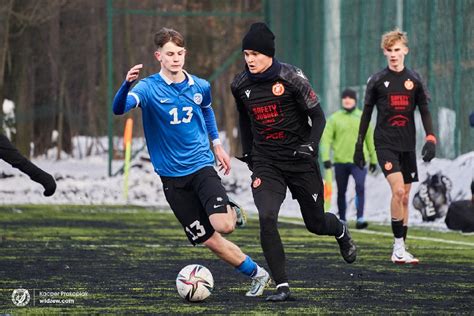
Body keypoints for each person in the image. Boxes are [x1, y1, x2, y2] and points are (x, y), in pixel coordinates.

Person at [112, 27, 270, 297]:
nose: (176, 58)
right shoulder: (148, 88)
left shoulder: (200, 86)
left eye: (180, 53)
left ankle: (231, 210)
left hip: (201, 167)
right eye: (170, 53)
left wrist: (217, 144)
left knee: (225, 226)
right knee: (210, 240)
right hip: (172, 181)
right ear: (158, 55)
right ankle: (258, 274)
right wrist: (126, 84)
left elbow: (207, 111)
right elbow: (119, 108)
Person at [232, 22, 357, 302]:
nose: (249, 59)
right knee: (266, 217)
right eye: (246, 54)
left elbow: (319, 117)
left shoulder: (292, 77)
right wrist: (249, 152)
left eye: (254, 54)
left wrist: (311, 145)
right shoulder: (240, 85)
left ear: (269, 54)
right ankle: (282, 286)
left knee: (315, 223)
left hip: (299, 159)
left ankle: (340, 230)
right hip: (267, 161)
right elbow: (244, 119)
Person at [353, 29, 436, 264]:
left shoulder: (415, 80)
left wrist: (431, 138)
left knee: (406, 197)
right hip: (385, 143)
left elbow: (425, 111)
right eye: (389, 50)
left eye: (397, 50)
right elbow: (366, 114)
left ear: (405, 51)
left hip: (407, 144)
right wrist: (359, 146)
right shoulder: (377, 81)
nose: (393, 54)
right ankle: (397, 247)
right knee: (398, 191)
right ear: (384, 52)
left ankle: (402, 247)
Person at [321, 88, 377, 229]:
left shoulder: (363, 117)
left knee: (360, 187)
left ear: (355, 100)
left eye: (350, 97)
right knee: (341, 190)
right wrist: (326, 158)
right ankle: (343, 218)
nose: (347, 100)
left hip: (359, 162)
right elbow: (326, 140)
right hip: (340, 161)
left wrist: (374, 159)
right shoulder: (334, 119)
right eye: (344, 97)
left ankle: (360, 218)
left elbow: (370, 139)